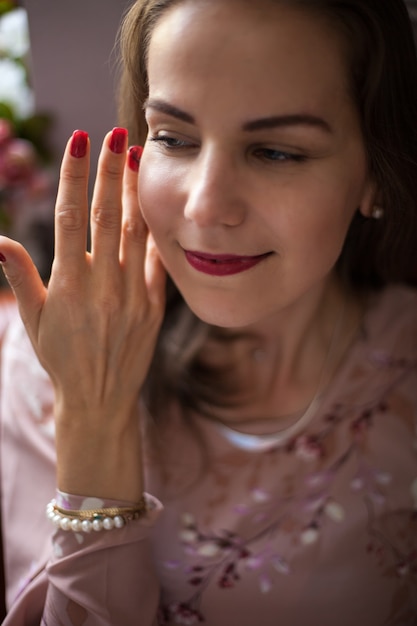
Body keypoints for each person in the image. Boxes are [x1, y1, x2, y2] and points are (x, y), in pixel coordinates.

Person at [0, 0, 416, 623]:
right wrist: (94, 416)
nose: (204, 206)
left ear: (372, 175)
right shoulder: (56, 354)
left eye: (277, 152)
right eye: (174, 138)